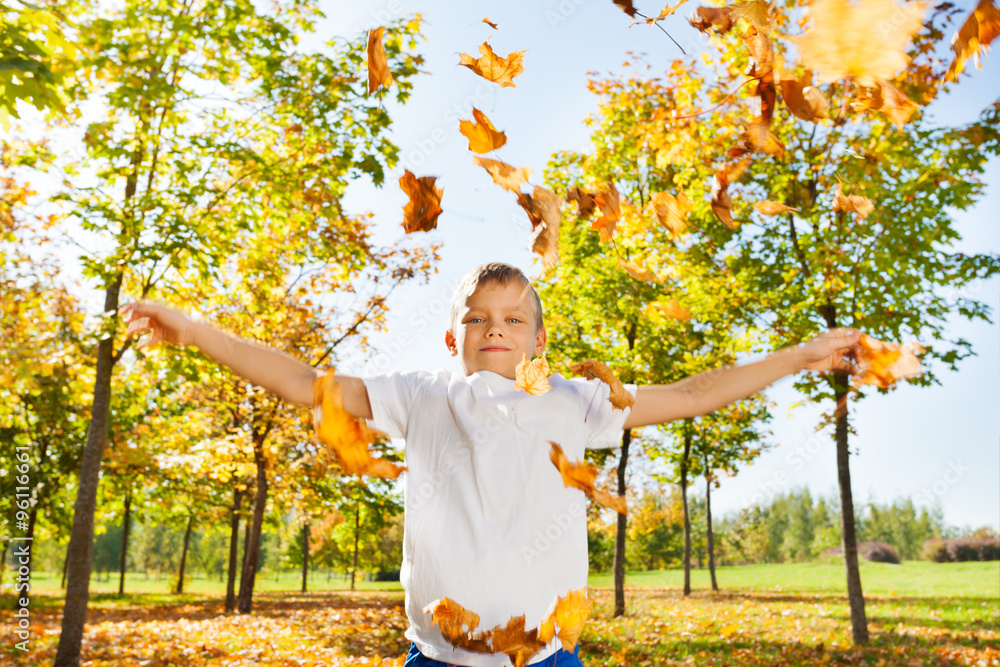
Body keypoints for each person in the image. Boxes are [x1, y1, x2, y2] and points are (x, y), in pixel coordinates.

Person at [120, 261, 861, 667]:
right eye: (475, 316)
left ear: (538, 339)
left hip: (544, 660)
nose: (493, 328)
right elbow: (302, 380)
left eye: (512, 318)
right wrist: (193, 329)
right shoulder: (421, 395)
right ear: (453, 339)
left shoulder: (575, 400)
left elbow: (695, 392)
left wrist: (801, 355)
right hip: (436, 660)